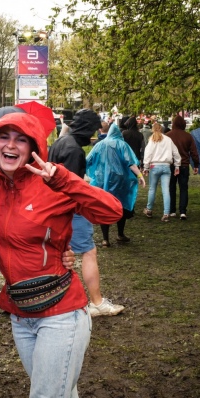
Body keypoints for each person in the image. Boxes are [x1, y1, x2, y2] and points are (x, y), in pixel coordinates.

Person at [0, 112, 123, 398]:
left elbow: (113, 212)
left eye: (21, 139)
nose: (11, 145)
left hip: (62, 314)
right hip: (20, 314)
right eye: (4, 137)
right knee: (61, 395)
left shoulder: (52, 182)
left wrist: (63, 180)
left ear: (35, 146)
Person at [50, 109, 126, 318]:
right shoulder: (75, 150)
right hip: (71, 208)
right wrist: (88, 189)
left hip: (54, 208)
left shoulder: (60, 142)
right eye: (93, 129)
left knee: (57, 254)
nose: (94, 133)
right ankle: (97, 302)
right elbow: (71, 185)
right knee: (89, 252)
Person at [87, 121, 146, 244]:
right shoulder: (122, 145)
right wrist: (140, 175)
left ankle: (105, 239)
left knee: (104, 207)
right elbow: (131, 163)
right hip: (121, 182)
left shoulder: (99, 145)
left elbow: (88, 160)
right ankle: (120, 234)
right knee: (121, 206)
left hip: (101, 181)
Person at [142, 122, 181, 222]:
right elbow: (176, 153)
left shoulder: (152, 140)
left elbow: (147, 154)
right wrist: (177, 165)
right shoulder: (168, 140)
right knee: (166, 190)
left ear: (152, 129)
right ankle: (166, 213)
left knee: (152, 189)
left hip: (154, 166)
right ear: (162, 129)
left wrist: (146, 167)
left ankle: (149, 209)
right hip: (166, 166)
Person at [165, 115, 199, 220]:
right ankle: (183, 211)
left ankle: (172, 210)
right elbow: (193, 152)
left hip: (171, 165)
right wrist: (196, 164)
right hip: (184, 165)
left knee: (171, 187)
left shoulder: (167, 136)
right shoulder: (188, 136)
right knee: (183, 188)